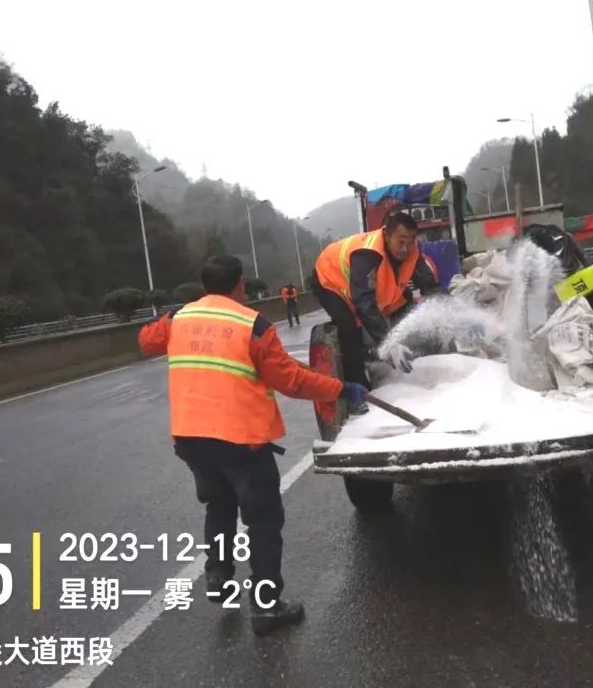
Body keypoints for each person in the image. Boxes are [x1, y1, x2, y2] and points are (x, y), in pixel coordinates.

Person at [138, 254, 367, 635]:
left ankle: (219, 580)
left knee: (219, 507)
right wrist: (341, 388)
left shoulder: (181, 318)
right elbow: (291, 380)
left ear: (205, 285)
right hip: (241, 442)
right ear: (240, 284)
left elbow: (146, 341)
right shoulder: (253, 325)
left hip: (192, 439)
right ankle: (266, 608)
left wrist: (171, 318)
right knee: (262, 521)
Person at [311, 211, 440, 413]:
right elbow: (363, 303)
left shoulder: (412, 255)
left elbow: (431, 288)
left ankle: (403, 365)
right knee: (348, 326)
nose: (406, 248)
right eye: (401, 241)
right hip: (329, 279)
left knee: (405, 304)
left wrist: (457, 313)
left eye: (411, 241)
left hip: (366, 290)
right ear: (387, 236)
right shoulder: (367, 255)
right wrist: (389, 343)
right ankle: (360, 392)